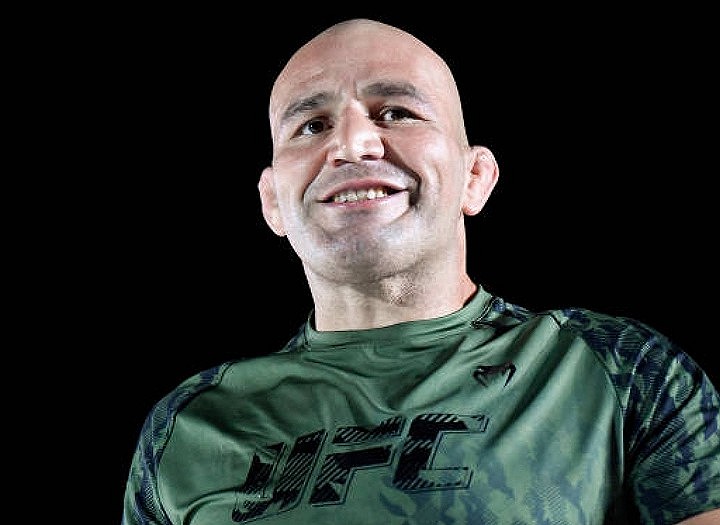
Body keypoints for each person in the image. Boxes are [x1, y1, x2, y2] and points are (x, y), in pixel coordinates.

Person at [122, 18, 720, 525]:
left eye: (397, 112)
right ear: (273, 201)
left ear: (475, 178)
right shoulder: (190, 424)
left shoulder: (617, 369)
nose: (353, 144)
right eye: (312, 125)